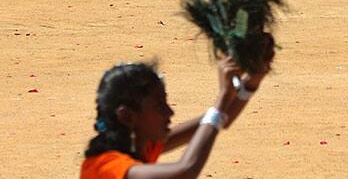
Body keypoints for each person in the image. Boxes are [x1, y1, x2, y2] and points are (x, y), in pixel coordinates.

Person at [80, 52, 270, 179]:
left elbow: (218, 121)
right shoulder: (105, 167)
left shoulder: (142, 146)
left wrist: (251, 81)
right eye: (159, 105)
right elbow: (186, 170)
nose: (170, 112)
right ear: (128, 116)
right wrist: (222, 97)